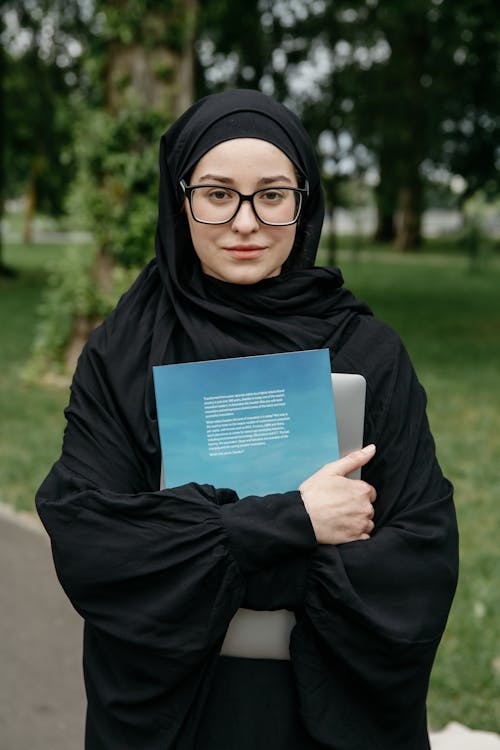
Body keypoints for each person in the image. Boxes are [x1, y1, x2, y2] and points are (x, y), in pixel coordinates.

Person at [36, 89, 458, 750]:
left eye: (271, 194)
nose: (245, 222)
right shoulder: (126, 351)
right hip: (172, 708)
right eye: (217, 192)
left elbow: (424, 553)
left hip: (323, 706)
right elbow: (92, 539)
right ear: (182, 200)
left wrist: (203, 550)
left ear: (303, 201)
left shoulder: (366, 351)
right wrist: (294, 524)